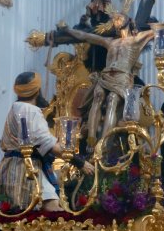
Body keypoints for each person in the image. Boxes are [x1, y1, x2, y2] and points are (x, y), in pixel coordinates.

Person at [50, 12, 154, 149]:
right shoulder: (109, 41)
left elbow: (158, 30)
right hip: (106, 75)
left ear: (128, 20)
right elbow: (85, 36)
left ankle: (103, 143)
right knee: (98, 96)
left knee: (112, 100)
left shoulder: (136, 40)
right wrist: (67, 30)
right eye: (114, 18)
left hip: (122, 77)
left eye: (119, 17)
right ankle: (91, 139)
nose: (116, 19)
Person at [0, 72, 93, 212]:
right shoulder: (29, 110)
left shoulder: (16, 108)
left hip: (12, 166)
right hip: (25, 169)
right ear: (37, 90)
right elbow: (48, 144)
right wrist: (79, 162)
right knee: (51, 207)